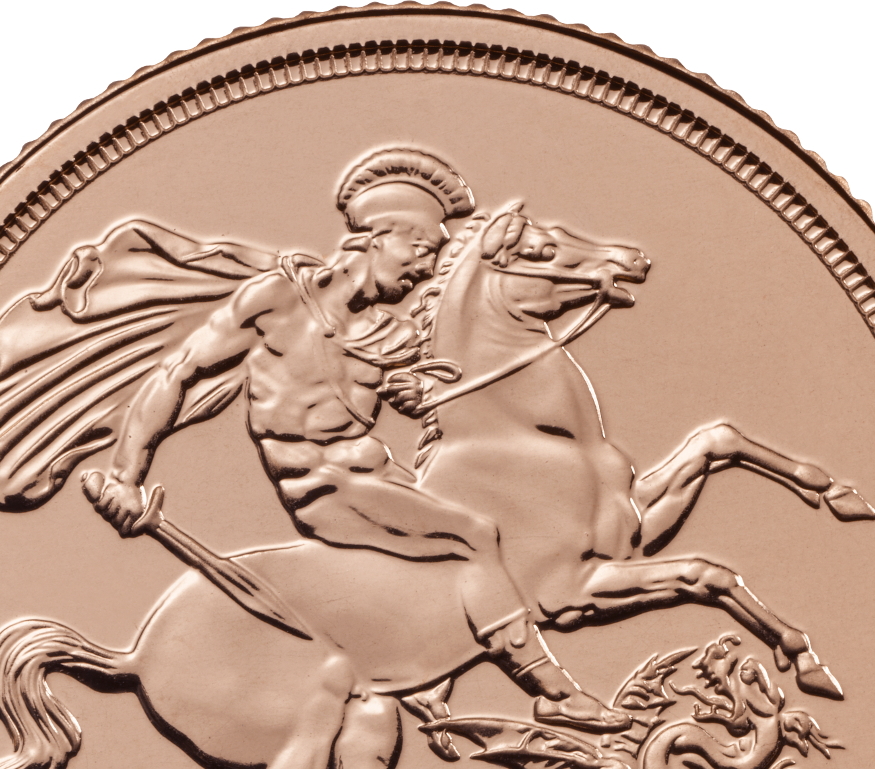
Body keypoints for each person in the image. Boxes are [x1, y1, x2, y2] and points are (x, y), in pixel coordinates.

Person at [86, 148, 623, 733]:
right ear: (378, 237)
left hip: (382, 478)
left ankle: (429, 674)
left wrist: (427, 389)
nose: (425, 271)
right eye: (421, 250)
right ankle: (552, 692)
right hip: (325, 491)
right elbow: (178, 373)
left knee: (494, 543)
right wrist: (126, 475)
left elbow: (430, 380)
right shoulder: (277, 300)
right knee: (474, 535)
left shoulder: (387, 333)